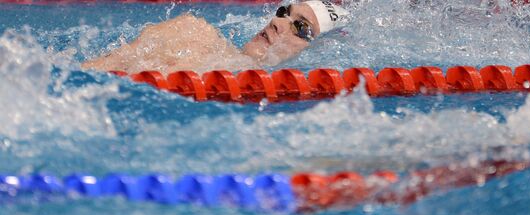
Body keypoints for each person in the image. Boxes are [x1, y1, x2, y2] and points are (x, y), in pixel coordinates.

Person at [82, 1, 349, 75]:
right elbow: (85, 73)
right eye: (283, 12)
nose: (278, 22)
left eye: (299, 28)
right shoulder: (192, 33)